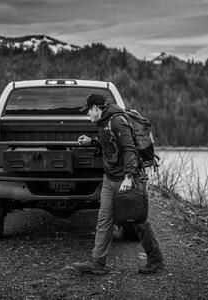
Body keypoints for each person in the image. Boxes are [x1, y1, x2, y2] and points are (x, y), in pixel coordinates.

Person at [72, 93, 164, 275]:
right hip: (110, 177)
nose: (87, 115)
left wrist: (129, 177)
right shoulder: (103, 123)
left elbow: (129, 148)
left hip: (127, 177)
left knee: (137, 220)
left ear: (96, 108)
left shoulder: (117, 121)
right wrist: (93, 142)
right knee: (104, 219)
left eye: (88, 111)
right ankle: (97, 262)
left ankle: (156, 260)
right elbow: (113, 147)